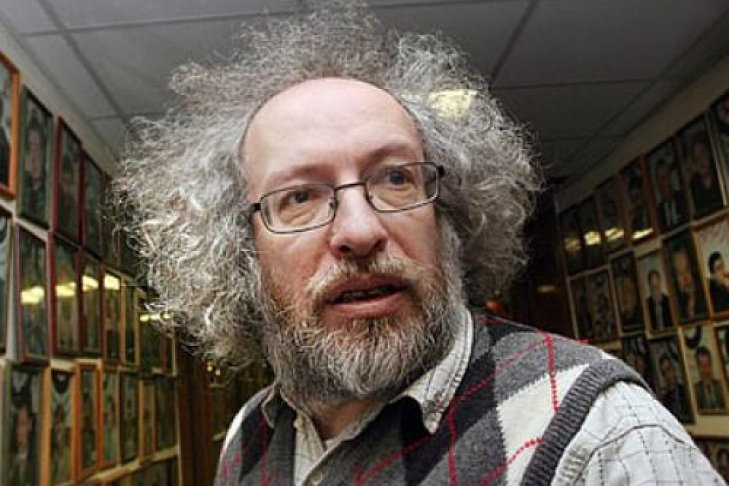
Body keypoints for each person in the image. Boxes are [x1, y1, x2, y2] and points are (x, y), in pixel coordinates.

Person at [118, 2, 722, 483]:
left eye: (395, 179)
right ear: (241, 252)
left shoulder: (599, 433)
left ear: (448, 217)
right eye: (299, 196)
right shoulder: (249, 435)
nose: (359, 230)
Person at [688, 131, 723, 217]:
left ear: (709, 153)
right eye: (696, 157)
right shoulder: (693, 186)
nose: (700, 160)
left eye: (702, 153)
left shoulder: (721, 175)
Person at [672, 247, 707, 321]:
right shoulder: (676, 307)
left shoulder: (706, 294)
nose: (685, 278)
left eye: (687, 269)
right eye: (680, 273)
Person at [7, 401, 37, 486]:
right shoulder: (7, 458)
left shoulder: (37, 457)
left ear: (29, 424)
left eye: (22, 424)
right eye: (16, 424)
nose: (18, 430)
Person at [654, 157, 687, 231]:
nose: (665, 181)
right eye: (661, 178)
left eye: (666, 176)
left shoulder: (683, 199)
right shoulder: (658, 212)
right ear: (657, 183)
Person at [657, 353, 691, 423]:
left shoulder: (686, 391)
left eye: (668, 370)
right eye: (664, 373)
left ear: (674, 369)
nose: (667, 376)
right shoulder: (665, 400)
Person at [694, 346, 726, 410]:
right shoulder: (695, 390)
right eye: (703, 367)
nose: (706, 371)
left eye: (708, 365)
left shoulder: (721, 387)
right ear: (698, 367)